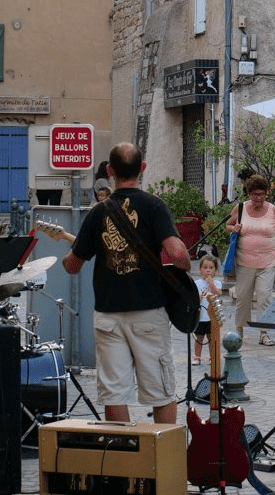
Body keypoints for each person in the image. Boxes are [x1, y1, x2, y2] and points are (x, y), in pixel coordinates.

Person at [61, 143, 191, 424]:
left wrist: (68, 257)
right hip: (148, 312)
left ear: (109, 172)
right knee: (161, 391)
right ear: (142, 169)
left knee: (114, 394)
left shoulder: (98, 213)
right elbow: (178, 254)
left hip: (109, 315)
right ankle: (161, 461)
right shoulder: (154, 205)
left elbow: (73, 266)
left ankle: (122, 459)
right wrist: (184, 267)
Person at [226, 173, 275, 346]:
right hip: (244, 261)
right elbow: (227, 225)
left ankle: (264, 332)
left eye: (261, 194)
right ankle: (239, 330)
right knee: (243, 297)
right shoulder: (240, 208)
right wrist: (234, 228)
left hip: (267, 261)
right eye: (254, 194)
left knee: (265, 296)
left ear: (266, 194)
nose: (258, 197)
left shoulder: (273, 210)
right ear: (249, 194)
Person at [193, 254, 222, 365]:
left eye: (211, 268)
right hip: (200, 317)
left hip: (212, 316)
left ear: (215, 270)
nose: (208, 271)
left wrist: (211, 284)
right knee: (199, 338)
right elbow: (194, 300)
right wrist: (198, 299)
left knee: (211, 338)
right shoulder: (196, 284)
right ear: (200, 270)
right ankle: (197, 357)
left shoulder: (217, 283)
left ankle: (212, 356)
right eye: (205, 268)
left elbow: (217, 293)